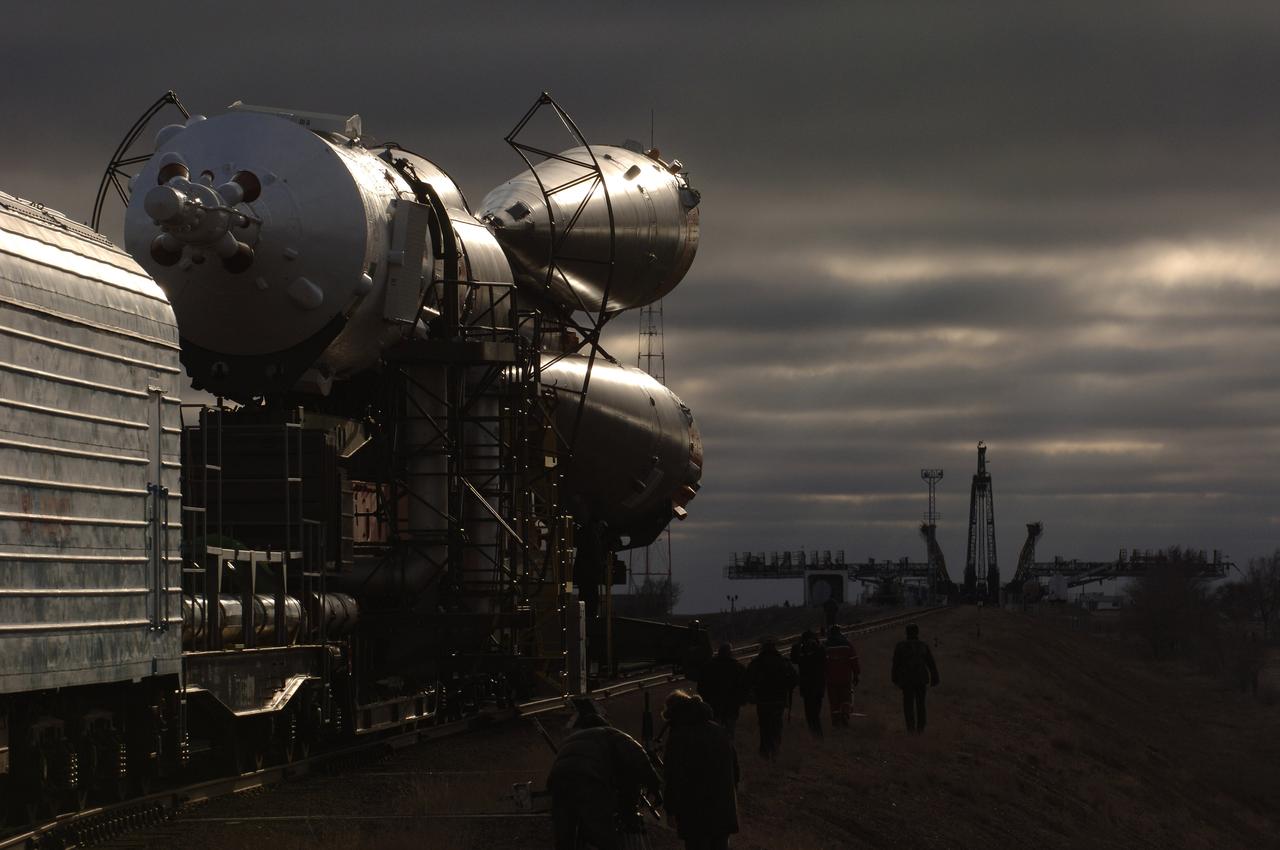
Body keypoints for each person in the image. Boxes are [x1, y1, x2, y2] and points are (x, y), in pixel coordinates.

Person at [548, 702, 662, 850]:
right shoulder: (614, 734)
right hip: (588, 780)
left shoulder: (573, 739)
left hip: (558, 782)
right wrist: (655, 787)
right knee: (601, 832)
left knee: (565, 833)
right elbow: (640, 760)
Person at [662, 690, 740, 850]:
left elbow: (673, 776)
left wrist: (670, 810)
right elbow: (735, 770)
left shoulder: (678, 737)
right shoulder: (719, 731)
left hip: (694, 812)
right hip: (723, 808)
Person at [746, 636, 796, 758]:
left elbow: (747, 680)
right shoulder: (783, 662)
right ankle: (775, 749)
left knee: (764, 725)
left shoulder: (756, 663)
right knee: (777, 725)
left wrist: (752, 694)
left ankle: (765, 750)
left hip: (762, 700)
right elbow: (794, 678)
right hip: (779, 700)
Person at [891, 622, 940, 734]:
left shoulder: (900, 646)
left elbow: (895, 664)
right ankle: (920, 728)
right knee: (921, 704)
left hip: (906, 680)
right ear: (917, 632)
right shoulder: (923, 645)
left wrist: (894, 678)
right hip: (921, 679)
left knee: (908, 704)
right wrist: (935, 677)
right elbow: (931, 663)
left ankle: (910, 728)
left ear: (906, 633)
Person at [697, 643, 749, 738]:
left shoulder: (708, 667)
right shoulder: (738, 667)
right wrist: (741, 700)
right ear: (730, 653)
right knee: (730, 733)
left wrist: (706, 700)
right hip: (731, 707)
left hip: (714, 707)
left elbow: (701, 687)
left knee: (715, 734)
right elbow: (744, 687)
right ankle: (728, 750)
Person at [789, 630, 826, 736]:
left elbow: (794, 659)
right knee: (815, 713)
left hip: (807, 687)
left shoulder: (802, 651)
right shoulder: (819, 649)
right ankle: (817, 735)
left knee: (810, 713)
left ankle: (816, 734)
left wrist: (798, 644)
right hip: (818, 685)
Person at [824, 625, 860, 726]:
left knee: (834, 701)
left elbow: (822, 663)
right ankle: (845, 717)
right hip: (845, 677)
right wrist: (856, 674)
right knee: (845, 699)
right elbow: (854, 660)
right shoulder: (847, 644)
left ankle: (836, 721)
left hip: (831, 679)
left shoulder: (826, 645)